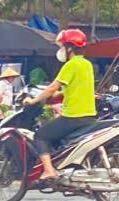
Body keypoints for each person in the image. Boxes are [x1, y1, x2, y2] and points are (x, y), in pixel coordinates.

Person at [25, 29, 97, 181]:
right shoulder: (87, 65)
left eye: (62, 47)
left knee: (40, 135)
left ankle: (49, 170)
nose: (60, 51)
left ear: (69, 48)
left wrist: (33, 100)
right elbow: (74, 89)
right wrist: (55, 96)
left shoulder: (71, 65)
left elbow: (53, 87)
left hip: (73, 116)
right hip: (89, 115)